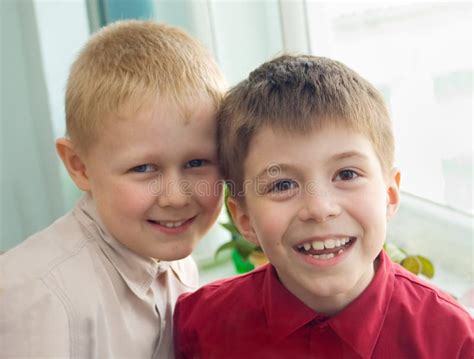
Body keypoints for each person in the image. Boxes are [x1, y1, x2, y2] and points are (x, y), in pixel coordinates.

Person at [173, 55, 473, 358]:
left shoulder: (454, 339)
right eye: (282, 185)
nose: (319, 208)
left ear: (390, 195)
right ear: (245, 218)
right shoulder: (198, 326)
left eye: (346, 174)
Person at [0, 20, 226, 358]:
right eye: (144, 168)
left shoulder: (178, 262)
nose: (177, 197)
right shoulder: (36, 294)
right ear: (79, 166)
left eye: (197, 163)